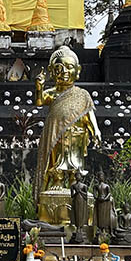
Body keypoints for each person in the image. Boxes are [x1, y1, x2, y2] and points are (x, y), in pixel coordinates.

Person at [32, 47, 101, 207]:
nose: (64, 72)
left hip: (77, 134)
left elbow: (89, 114)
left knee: (75, 160)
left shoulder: (82, 94)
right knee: (57, 158)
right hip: (56, 134)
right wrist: (39, 87)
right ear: (51, 71)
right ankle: (57, 180)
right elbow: (40, 101)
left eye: (69, 67)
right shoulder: (52, 92)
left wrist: (95, 130)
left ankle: (74, 180)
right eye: (58, 68)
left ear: (78, 70)